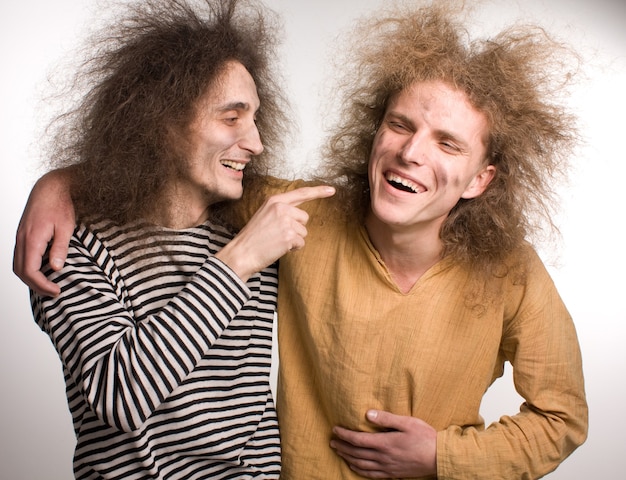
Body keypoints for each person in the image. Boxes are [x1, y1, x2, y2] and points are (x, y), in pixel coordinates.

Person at [14, 1, 588, 479]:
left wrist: (446, 456)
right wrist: (60, 182)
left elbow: (561, 419)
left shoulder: (511, 271)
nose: (412, 153)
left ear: (481, 178)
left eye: (448, 144)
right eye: (401, 124)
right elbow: (175, 168)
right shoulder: (282, 220)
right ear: (375, 130)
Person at [18, 0, 333, 478]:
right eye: (232, 118)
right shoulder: (72, 243)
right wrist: (239, 261)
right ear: (159, 124)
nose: (256, 142)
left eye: (254, 119)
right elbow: (119, 397)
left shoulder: (250, 222)